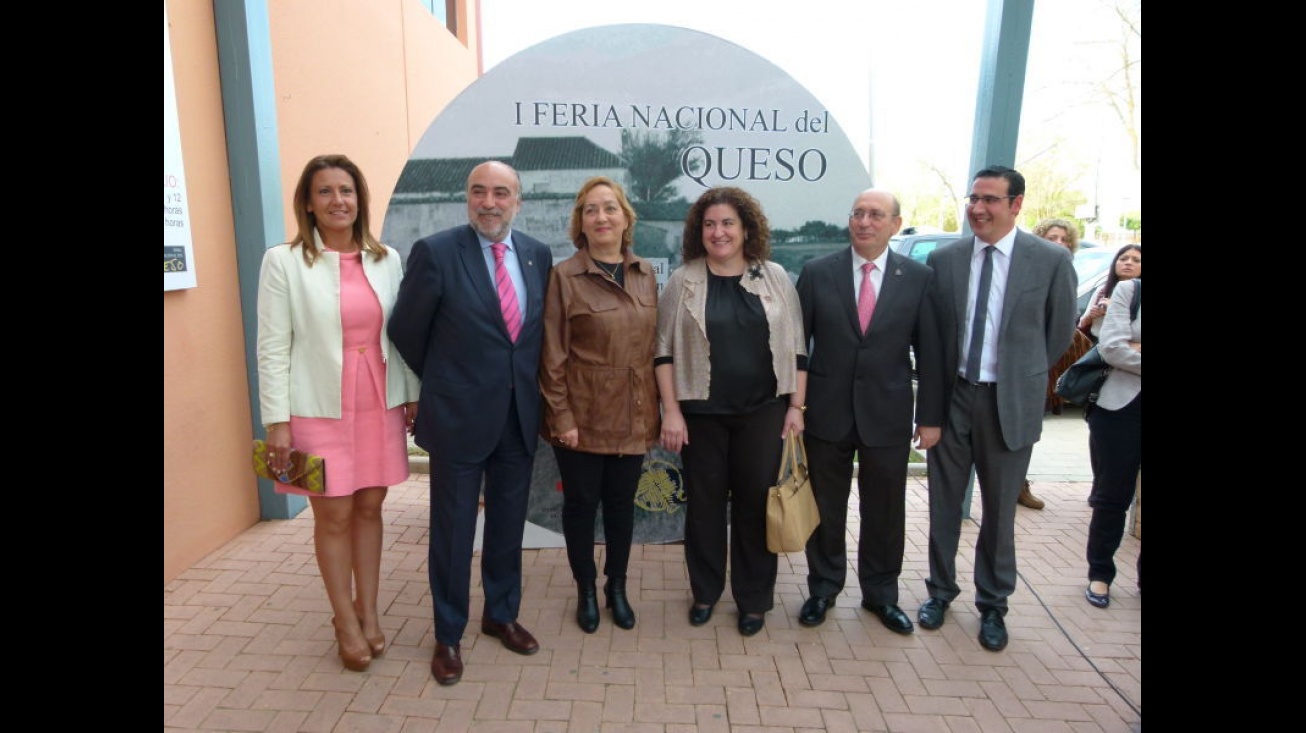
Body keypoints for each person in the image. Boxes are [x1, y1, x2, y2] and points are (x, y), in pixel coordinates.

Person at [388, 160, 554, 686]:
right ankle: (449, 634)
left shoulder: (536, 255)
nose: (489, 202)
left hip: (518, 417)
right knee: (454, 533)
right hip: (458, 418)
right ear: (468, 199)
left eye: (501, 192)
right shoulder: (436, 252)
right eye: (479, 192)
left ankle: (501, 615)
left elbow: (529, 336)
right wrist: (445, 382)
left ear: (518, 201)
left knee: (507, 527)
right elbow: (407, 329)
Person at [256, 154, 420, 672]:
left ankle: (369, 611)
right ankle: (343, 621)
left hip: (377, 399)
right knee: (333, 515)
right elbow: (272, 346)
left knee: (370, 508)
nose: (337, 201)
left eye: (346, 191)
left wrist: (411, 391)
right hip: (315, 405)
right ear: (308, 202)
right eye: (324, 192)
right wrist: (276, 421)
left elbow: (400, 334)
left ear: (360, 199)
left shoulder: (386, 258)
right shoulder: (282, 261)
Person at [920, 165, 1076, 652]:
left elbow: (1057, 335)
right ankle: (939, 592)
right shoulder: (945, 259)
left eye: (989, 199)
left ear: (1016, 204)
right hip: (954, 397)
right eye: (973, 198)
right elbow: (935, 335)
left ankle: (993, 604)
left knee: (999, 513)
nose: (978, 208)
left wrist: (1017, 376)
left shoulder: (1049, 259)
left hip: (1009, 401)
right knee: (944, 505)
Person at [655, 186, 807, 638]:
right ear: (698, 232)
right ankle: (704, 592)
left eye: (727, 223)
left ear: (745, 229)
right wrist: (672, 412)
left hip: (763, 413)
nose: (718, 232)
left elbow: (798, 347)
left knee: (756, 508)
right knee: (703, 508)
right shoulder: (683, 280)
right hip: (700, 417)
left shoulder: (775, 276)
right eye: (709, 224)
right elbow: (661, 351)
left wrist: (796, 406)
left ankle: (754, 600)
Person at [794, 188, 943, 634]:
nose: (864, 222)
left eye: (876, 215)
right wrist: (794, 405)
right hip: (826, 411)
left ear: (895, 224)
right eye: (857, 213)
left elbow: (931, 352)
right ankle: (823, 587)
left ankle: (881, 594)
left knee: (884, 510)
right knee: (826, 507)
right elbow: (796, 348)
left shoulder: (917, 278)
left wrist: (930, 417)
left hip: (888, 413)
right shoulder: (819, 273)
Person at [539, 177, 660, 634]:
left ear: (626, 217)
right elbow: (552, 356)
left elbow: (655, 348)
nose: (601, 217)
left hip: (633, 415)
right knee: (581, 507)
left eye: (610, 208)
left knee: (622, 508)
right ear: (581, 222)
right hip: (583, 421)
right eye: (591, 210)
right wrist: (561, 418)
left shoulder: (645, 273)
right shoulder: (564, 277)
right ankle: (586, 589)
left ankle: (617, 588)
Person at [1019, 218, 1095, 510]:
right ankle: (1014, 481)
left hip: (1046, 364)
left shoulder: (1065, 271)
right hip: (1025, 362)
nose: (1060, 244)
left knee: (1031, 427)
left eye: (1065, 239)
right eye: (1053, 237)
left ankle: (1018, 483)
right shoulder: (1027, 271)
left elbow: (1064, 322)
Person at [1084, 277, 1141, 608]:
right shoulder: (1130, 290)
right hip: (1120, 410)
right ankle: (1100, 574)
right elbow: (1112, 347)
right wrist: (1128, 349)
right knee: (1112, 498)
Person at [1078, 244, 1142, 341]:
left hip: (1127, 348)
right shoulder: (1102, 291)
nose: (1128, 263)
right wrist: (1091, 315)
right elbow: (1082, 324)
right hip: (1097, 344)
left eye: (1136, 260)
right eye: (1123, 259)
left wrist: (1115, 310)